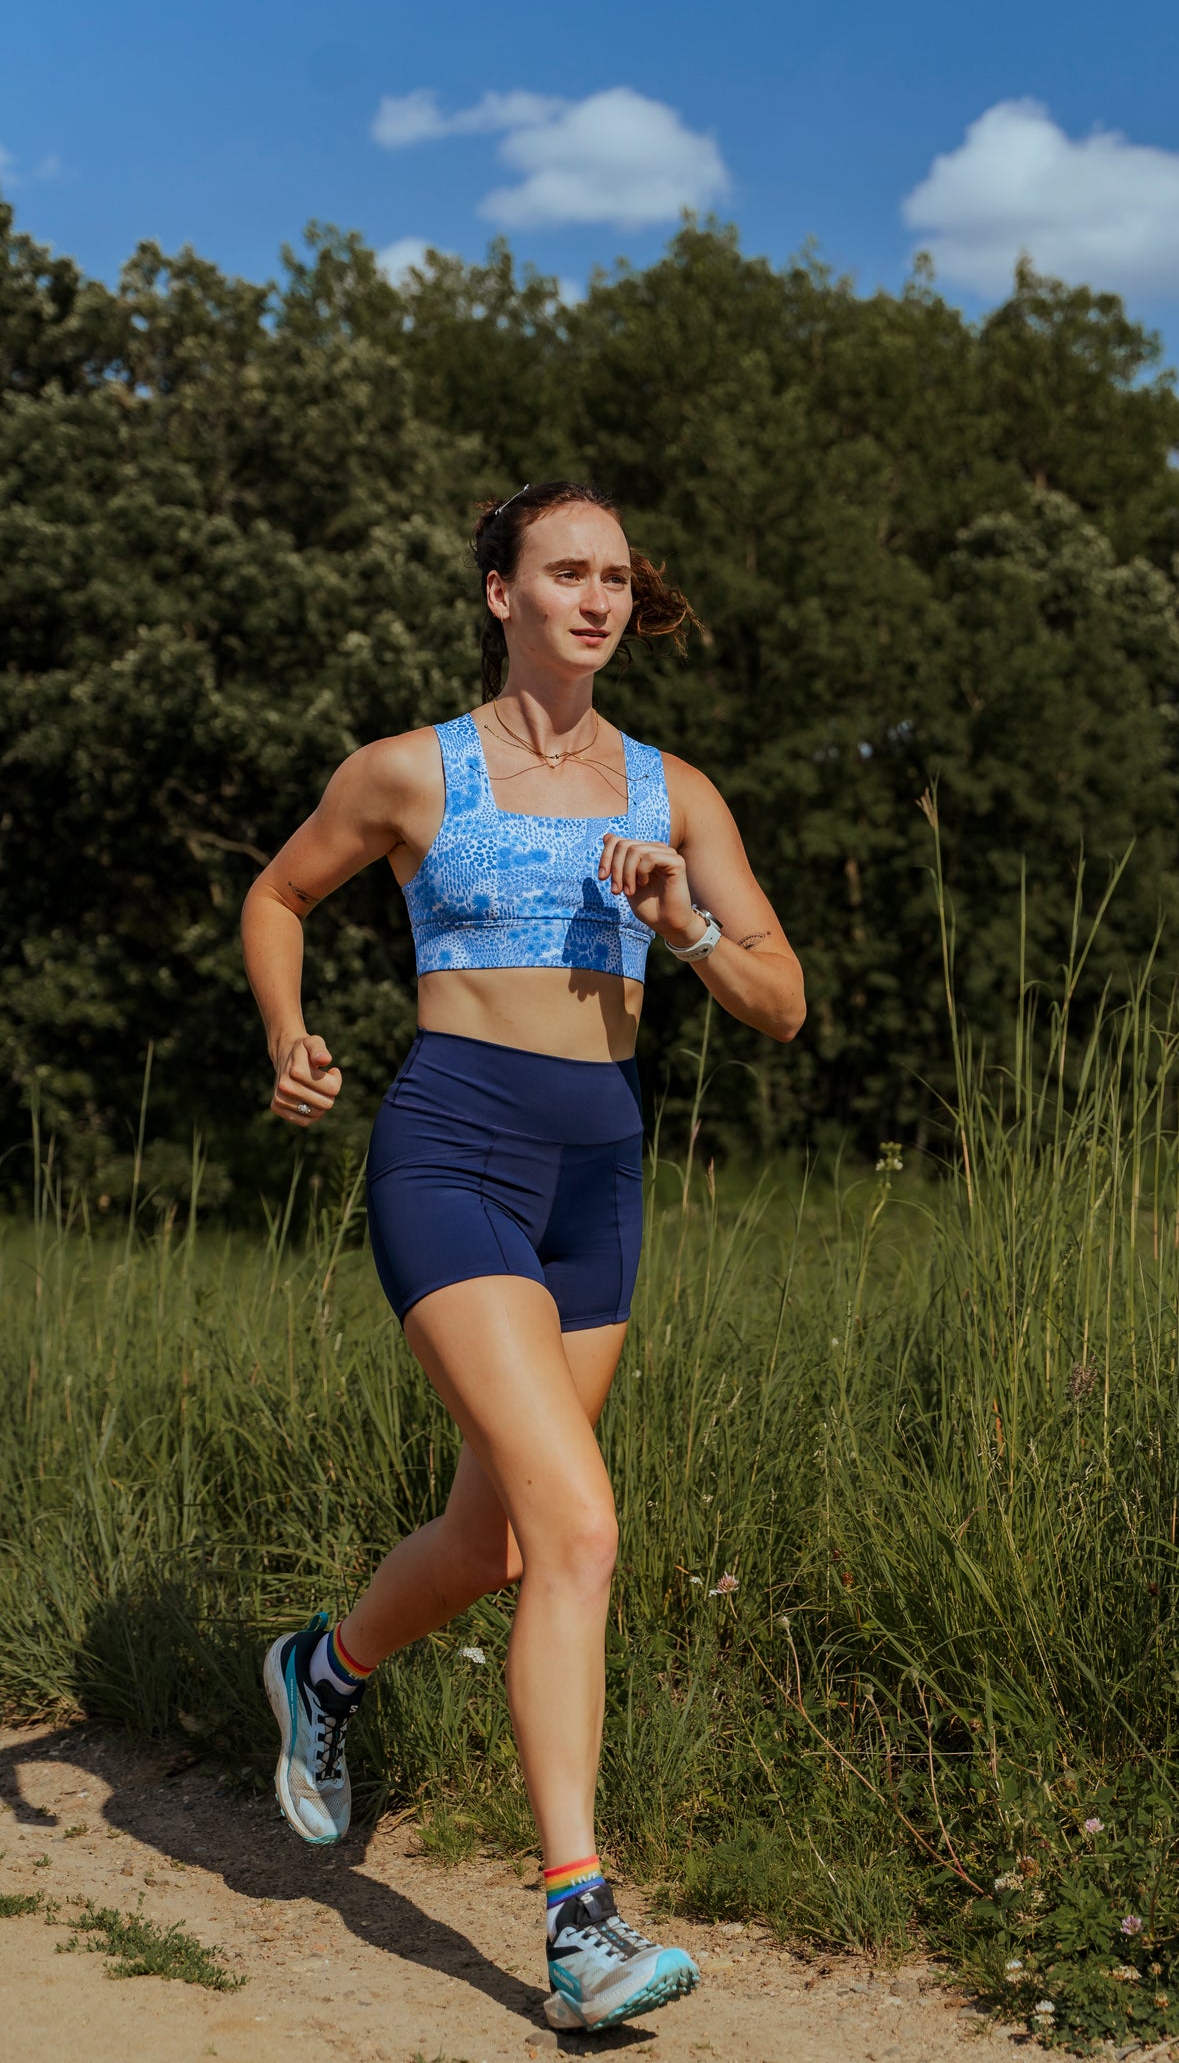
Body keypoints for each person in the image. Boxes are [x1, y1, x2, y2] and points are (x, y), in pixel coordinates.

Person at [239, 480, 805, 2033]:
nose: (599, 597)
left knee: (497, 1542)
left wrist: (687, 927)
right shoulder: (411, 773)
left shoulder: (671, 791)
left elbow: (783, 1001)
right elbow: (277, 894)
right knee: (580, 1529)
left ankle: (323, 1670)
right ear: (501, 593)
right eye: (567, 571)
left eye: (616, 576)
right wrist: (290, 1033)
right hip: (453, 1158)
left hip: (597, 1185)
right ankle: (579, 1922)